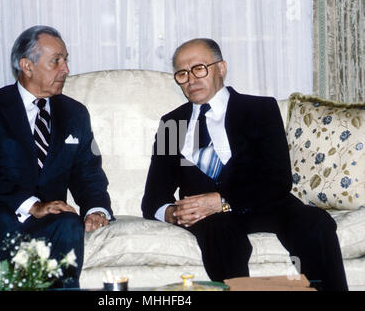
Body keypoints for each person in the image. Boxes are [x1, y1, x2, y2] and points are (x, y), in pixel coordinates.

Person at [141, 38, 348, 291]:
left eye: (199, 68)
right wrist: (173, 213)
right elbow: (153, 198)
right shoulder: (171, 124)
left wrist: (223, 200)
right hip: (210, 218)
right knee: (220, 235)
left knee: (315, 222)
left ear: (221, 68)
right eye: (182, 74)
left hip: (267, 204)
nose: (191, 79)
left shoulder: (260, 109)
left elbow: (278, 178)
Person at [0, 25, 113, 288]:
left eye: (65, 60)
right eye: (56, 61)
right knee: (2, 221)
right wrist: (31, 205)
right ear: (27, 66)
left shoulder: (75, 113)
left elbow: (87, 170)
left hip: (43, 213)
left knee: (68, 222)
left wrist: (96, 209)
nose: (65, 69)